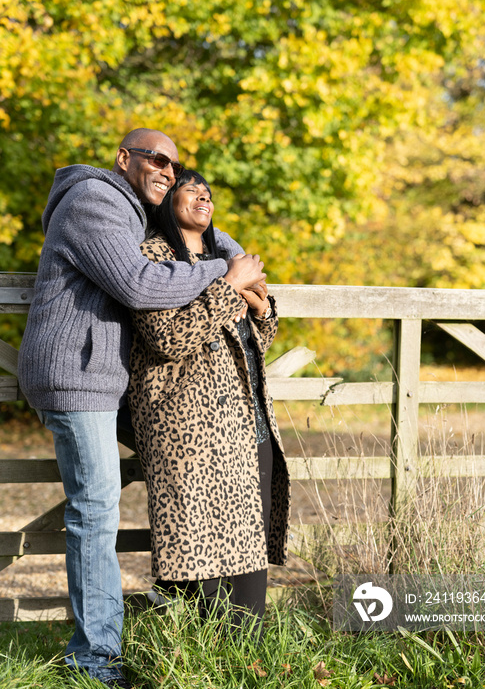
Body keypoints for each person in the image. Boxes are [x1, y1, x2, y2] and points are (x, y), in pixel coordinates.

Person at [17, 129, 266, 689]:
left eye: (174, 165)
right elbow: (137, 283)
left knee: (189, 451)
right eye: (157, 159)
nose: (168, 171)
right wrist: (229, 277)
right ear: (124, 158)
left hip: (112, 382)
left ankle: (174, 603)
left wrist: (230, 253)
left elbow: (202, 228)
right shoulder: (94, 201)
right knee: (97, 511)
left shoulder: (136, 209)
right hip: (76, 379)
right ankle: (95, 660)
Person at [127, 170, 290, 639]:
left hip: (247, 418)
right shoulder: (149, 258)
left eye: (208, 192)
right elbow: (167, 338)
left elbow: (256, 334)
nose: (203, 195)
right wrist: (229, 287)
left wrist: (261, 309)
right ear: (166, 203)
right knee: (201, 540)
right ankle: (199, 651)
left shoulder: (227, 255)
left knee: (248, 542)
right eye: (190, 188)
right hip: (187, 421)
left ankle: (247, 651)